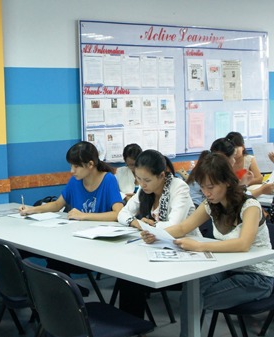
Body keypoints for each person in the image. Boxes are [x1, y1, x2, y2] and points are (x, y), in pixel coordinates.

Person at [141, 151, 274, 337]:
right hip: (226, 269)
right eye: (203, 187)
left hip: (258, 277)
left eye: (211, 187)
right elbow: (183, 227)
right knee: (191, 290)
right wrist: (156, 234)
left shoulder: (249, 205)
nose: (206, 193)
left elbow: (243, 244)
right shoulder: (211, 204)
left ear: (227, 182)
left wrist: (199, 246)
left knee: (196, 299)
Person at [116, 149, 198, 319]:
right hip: (156, 247)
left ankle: (133, 326)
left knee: (132, 278)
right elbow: (122, 214)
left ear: (161, 175)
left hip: (185, 250)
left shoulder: (178, 187)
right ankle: (132, 325)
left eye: (146, 180)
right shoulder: (144, 191)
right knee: (127, 275)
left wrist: (152, 227)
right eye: (138, 179)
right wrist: (140, 224)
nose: (142, 184)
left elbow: (175, 225)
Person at [19, 141, 124, 221]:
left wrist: (84, 216)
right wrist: (31, 210)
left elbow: (118, 213)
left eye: (76, 166)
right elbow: (57, 205)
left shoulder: (108, 180)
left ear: (90, 164)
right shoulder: (75, 181)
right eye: (71, 166)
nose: (72, 171)